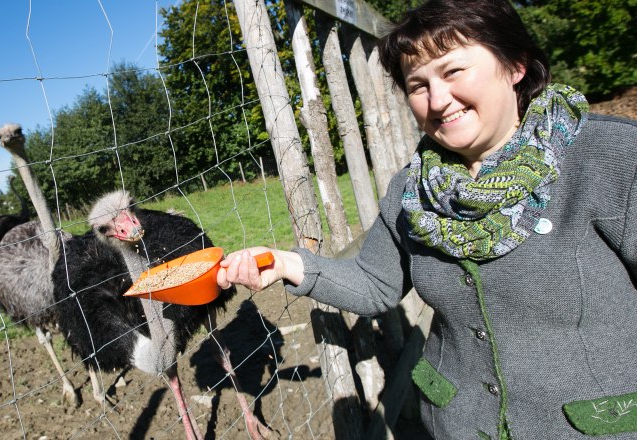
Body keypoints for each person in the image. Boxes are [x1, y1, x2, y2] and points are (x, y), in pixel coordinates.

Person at [217, 0, 637, 438]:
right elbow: (376, 283)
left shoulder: (612, 161)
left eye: (454, 72)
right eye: (418, 85)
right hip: (459, 423)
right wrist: (284, 265)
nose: (438, 100)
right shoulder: (411, 190)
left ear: (516, 66)